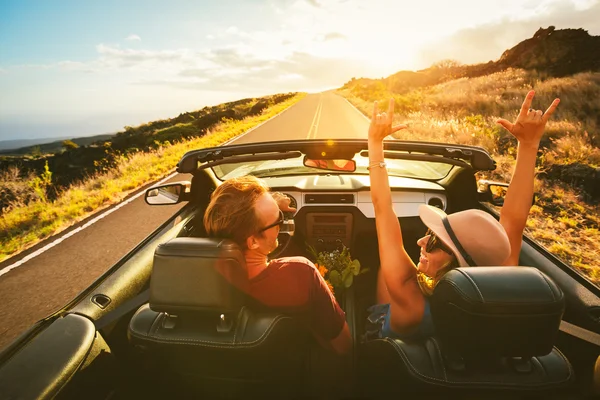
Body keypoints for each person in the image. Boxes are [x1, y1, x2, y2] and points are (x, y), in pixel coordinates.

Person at [367, 90, 560, 339]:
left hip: (393, 346)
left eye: (434, 241)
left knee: (385, 271)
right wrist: (529, 145)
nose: (420, 241)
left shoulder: (409, 296)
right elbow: (513, 222)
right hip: (450, 356)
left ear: (457, 263)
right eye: (429, 234)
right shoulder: (498, 277)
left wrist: (374, 142)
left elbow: (382, 208)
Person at [203, 176, 352, 354]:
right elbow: (344, 346)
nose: (281, 225)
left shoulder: (201, 278)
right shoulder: (302, 272)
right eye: (278, 221)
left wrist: (268, 207)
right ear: (253, 242)